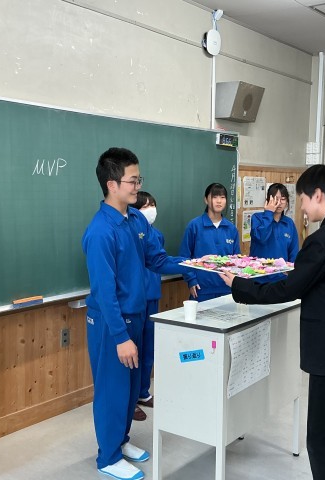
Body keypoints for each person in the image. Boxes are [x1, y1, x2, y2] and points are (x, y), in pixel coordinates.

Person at [219, 164, 325, 480]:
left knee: (323, 440)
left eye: (302, 198)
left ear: (318, 195)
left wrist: (240, 286)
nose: (301, 207)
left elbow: (289, 289)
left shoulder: (322, 240)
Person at [82, 147, 191, 480]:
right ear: (112, 184)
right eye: (133, 180)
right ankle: (108, 457)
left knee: (131, 390)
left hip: (138, 316)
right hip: (111, 323)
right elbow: (105, 292)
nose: (137, 186)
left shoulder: (136, 220)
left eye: (138, 179)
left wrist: (195, 264)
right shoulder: (101, 231)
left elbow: (156, 260)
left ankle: (121, 441)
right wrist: (120, 337)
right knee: (112, 391)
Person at [179, 182, 240, 302]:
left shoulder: (231, 228)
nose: (219, 201)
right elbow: (184, 257)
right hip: (202, 289)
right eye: (214, 197)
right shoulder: (195, 226)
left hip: (227, 289)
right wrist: (191, 280)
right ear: (206, 200)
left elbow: (236, 260)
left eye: (222, 197)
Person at [130, 191, 161, 422]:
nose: (150, 210)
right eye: (145, 206)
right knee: (134, 351)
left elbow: (159, 261)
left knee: (149, 348)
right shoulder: (129, 234)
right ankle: (130, 400)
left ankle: (143, 392)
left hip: (153, 296)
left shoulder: (156, 235)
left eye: (153, 205)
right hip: (134, 301)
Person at [249, 183, 299, 283]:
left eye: (283, 199)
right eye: (275, 199)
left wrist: (292, 274)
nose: (279, 203)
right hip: (259, 277)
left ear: (287, 202)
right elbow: (261, 238)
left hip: (281, 278)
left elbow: (294, 252)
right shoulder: (257, 218)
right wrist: (269, 213)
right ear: (268, 200)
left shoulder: (289, 223)